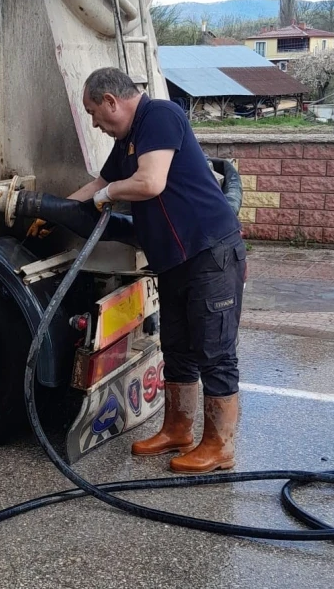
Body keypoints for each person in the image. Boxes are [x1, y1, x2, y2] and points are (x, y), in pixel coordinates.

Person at [70, 67, 246, 473]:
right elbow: (101, 181)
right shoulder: (129, 137)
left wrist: (106, 196)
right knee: (179, 349)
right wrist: (53, 209)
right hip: (173, 261)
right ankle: (178, 430)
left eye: (95, 113)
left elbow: (149, 183)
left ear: (112, 101)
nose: (96, 124)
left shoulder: (161, 116)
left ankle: (220, 447)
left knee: (214, 352)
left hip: (209, 255)